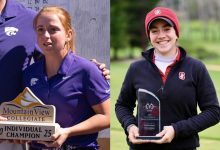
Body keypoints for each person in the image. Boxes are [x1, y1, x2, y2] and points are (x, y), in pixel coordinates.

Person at [0, 0, 109, 150]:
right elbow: (27, 113)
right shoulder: (30, 74)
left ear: (68, 34)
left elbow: (107, 117)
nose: (45, 35)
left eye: (53, 29)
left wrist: (67, 132)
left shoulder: (87, 70)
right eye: (40, 30)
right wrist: (18, 129)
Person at [115, 6, 220, 150]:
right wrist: (130, 126)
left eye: (166, 29)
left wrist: (176, 130)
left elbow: (213, 111)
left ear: (176, 32)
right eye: (154, 31)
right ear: (149, 36)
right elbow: (122, 105)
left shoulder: (196, 68)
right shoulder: (136, 69)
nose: (161, 35)